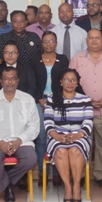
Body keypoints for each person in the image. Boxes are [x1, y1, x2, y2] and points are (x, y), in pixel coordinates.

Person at [0, 66, 40, 202]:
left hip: (21, 141)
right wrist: (0, 142)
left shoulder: (27, 99)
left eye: (13, 79)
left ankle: (0, 184)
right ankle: (8, 187)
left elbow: (34, 126)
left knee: (31, 159)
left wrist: (19, 140)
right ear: (1, 81)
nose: (9, 82)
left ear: (18, 81)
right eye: (6, 79)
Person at [69, 29, 102, 183]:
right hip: (82, 110)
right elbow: (70, 82)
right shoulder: (77, 59)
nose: (94, 41)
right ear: (86, 41)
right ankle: (81, 176)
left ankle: (101, 176)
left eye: (97, 38)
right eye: (91, 38)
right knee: (81, 144)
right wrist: (84, 100)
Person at [44, 68, 93, 202]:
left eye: (73, 80)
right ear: (61, 82)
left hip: (80, 135)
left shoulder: (85, 99)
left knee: (74, 150)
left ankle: (76, 185)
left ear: (77, 82)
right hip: (57, 135)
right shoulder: (52, 98)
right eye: (66, 80)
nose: (70, 83)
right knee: (60, 150)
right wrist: (57, 137)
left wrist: (79, 135)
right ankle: (67, 186)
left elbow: (88, 122)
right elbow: (48, 122)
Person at [32, 31, 69, 185]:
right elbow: (31, 82)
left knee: (57, 137)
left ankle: (56, 173)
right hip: (39, 102)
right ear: (42, 43)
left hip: (58, 103)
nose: (48, 44)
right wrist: (40, 99)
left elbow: (66, 81)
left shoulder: (63, 59)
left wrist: (56, 100)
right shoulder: (34, 60)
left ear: (56, 43)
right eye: (45, 41)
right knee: (41, 139)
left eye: (51, 41)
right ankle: (42, 172)